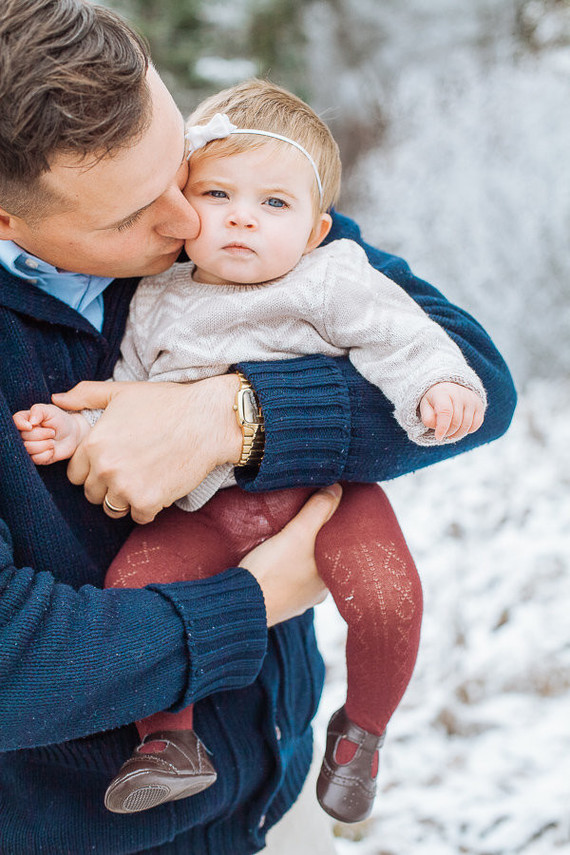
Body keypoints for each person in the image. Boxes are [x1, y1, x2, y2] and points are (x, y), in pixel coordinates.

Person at [0, 1, 516, 854]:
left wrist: (232, 417)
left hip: (283, 788)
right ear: (10, 221)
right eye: (131, 215)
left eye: (180, 163)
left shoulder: (241, 212)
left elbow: (473, 376)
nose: (189, 219)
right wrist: (254, 602)